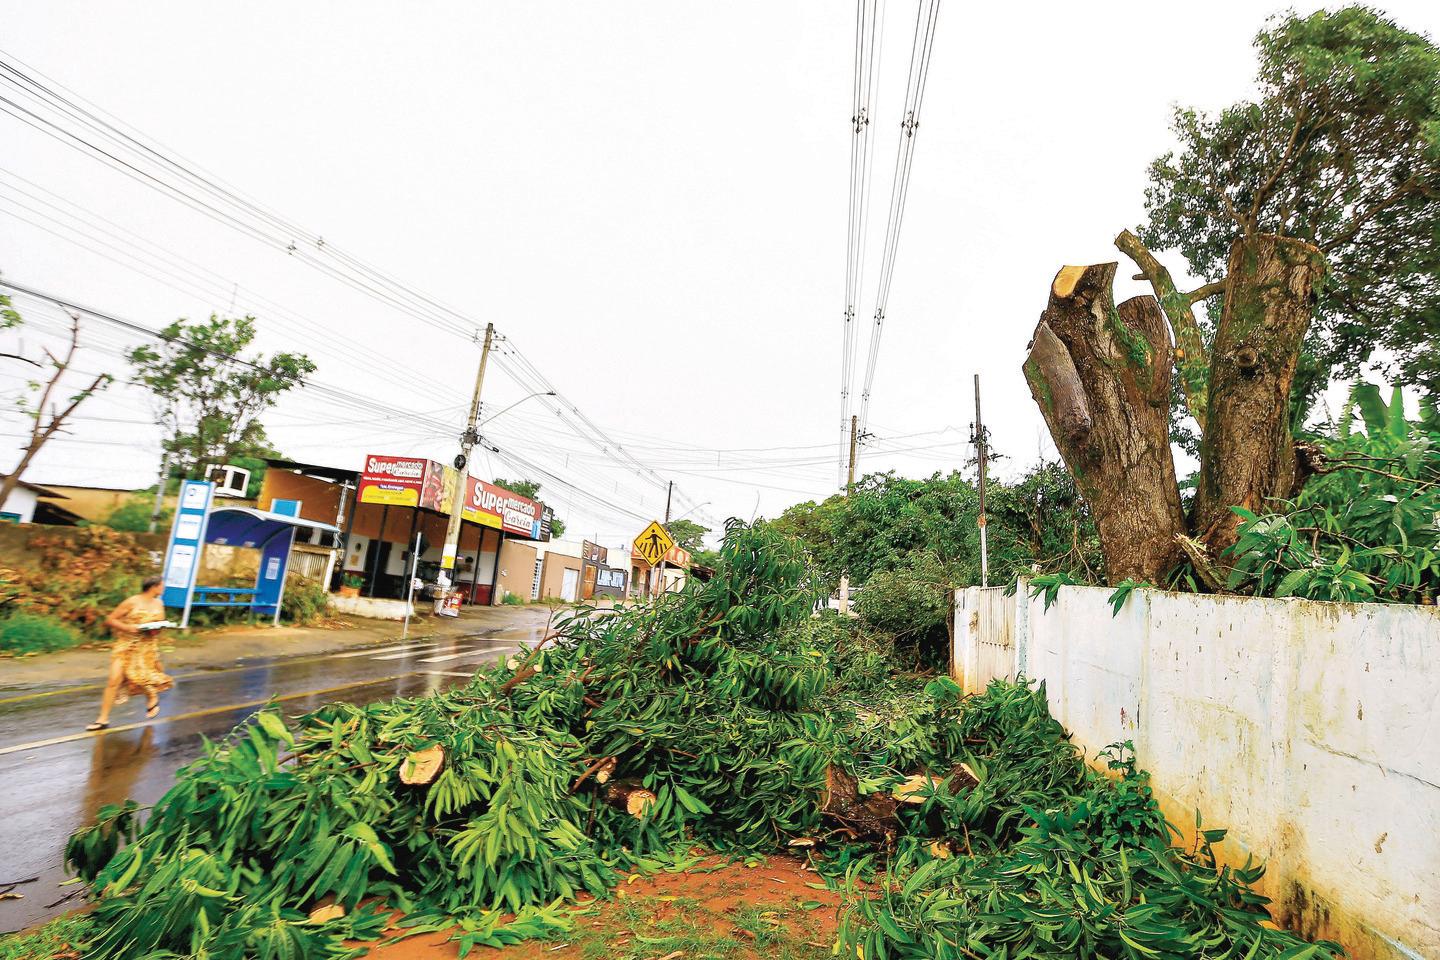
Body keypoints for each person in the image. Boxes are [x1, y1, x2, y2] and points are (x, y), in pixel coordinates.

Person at [87, 576, 174, 731]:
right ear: (153, 586)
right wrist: (128, 628)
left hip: (146, 647)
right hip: (126, 645)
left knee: (143, 677)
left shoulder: (159, 603)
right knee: (114, 680)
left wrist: (155, 629)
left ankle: (152, 697)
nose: (163, 589)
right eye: (162, 586)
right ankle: (102, 719)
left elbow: (158, 626)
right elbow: (110, 619)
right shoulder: (132, 601)